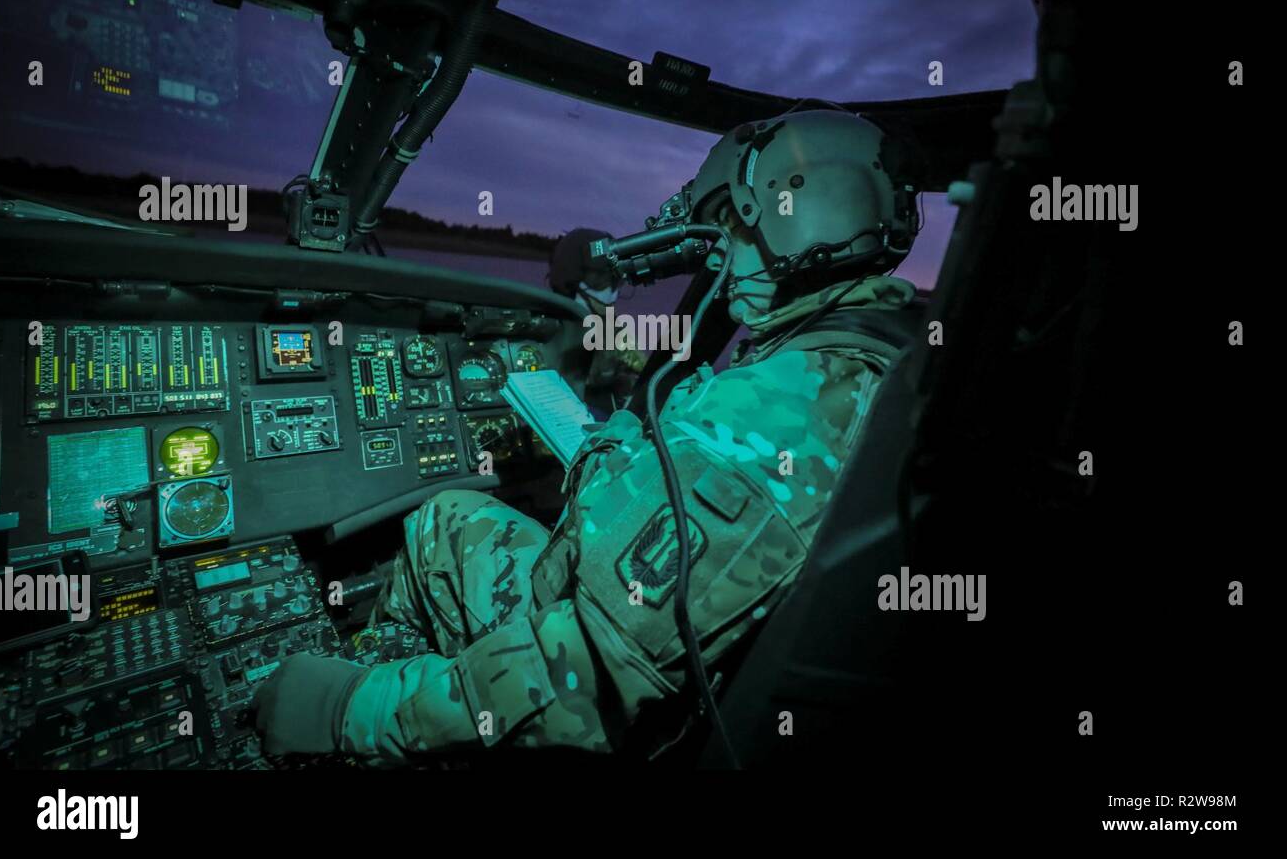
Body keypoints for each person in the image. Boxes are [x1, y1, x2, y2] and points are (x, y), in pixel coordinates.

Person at [255, 108, 921, 763]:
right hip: (691, 683)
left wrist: (349, 711)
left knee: (438, 520)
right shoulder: (876, 361)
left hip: (623, 711)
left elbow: (575, 684)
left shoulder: (766, 423)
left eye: (728, 229)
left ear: (793, 216)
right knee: (457, 511)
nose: (718, 254)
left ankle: (379, 712)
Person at [548, 227, 647, 411]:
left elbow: (642, 368)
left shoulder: (611, 328)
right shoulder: (543, 329)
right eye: (601, 280)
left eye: (616, 281)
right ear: (572, 279)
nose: (612, 294)